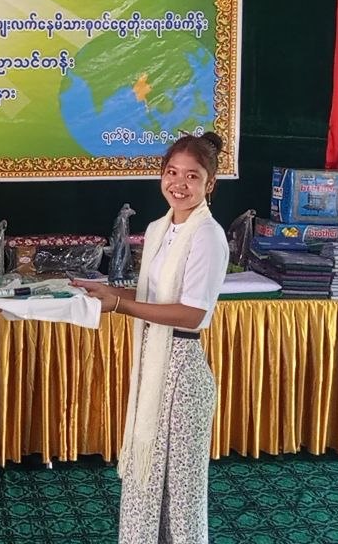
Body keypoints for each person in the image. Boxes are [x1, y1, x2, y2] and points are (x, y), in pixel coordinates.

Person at [74, 132, 229, 544]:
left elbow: (192, 314)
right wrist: (103, 291)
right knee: (147, 483)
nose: (179, 183)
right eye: (172, 172)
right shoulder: (160, 228)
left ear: (209, 183)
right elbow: (151, 297)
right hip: (154, 365)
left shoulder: (206, 234)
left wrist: (119, 306)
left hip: (182, 374)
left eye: (192, 176)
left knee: (180, 493)